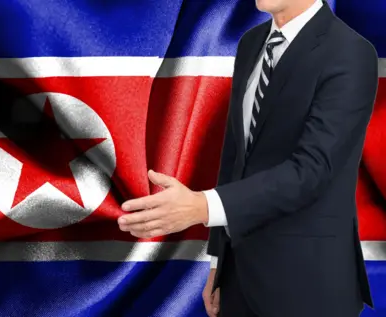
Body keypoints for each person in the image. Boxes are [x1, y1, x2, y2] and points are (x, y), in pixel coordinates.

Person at [117, 0, 379, 316]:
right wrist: (218, 261)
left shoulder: (349, 52)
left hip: (308, 284)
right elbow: (236, 158)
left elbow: (312, 171)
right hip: (239, 278)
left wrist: (202, 206)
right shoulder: (252, 43)